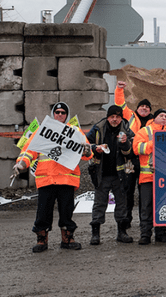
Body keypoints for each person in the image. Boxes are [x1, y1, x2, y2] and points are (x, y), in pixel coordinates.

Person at [13, 102, 90, 252]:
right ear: (53, 113)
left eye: (63, 112)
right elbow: (29, 150)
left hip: (67, 179)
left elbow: (87, 153)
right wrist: (21, 164)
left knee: (67, 212)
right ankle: (42, 240)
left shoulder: (75, 132)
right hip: (46, 179)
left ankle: (67, 239)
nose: (60, 115)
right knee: (43, 212)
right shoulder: (42, 131)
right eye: (57, 112)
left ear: (67, 115)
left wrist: (87, 151)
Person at [86, 105, 135, 245]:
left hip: (120, 174)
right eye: (112, 117)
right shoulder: (98, 128)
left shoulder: (126, 131)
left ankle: (122, 232)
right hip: (101, 173)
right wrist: (96, 148)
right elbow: (85, 144)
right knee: (99, 204)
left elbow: (131, 152)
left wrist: (125, 144)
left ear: (121, 118)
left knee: (122, 204)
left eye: (118, 117)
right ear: (108, 117)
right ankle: (95, 234)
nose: (115, 119)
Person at [113, 81, 153, 229]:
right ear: (137, 108)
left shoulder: (154, 122)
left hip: (145, 162)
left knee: (145, 193)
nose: (144, 108)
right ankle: (126, 220)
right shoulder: (129, 116)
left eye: (147, 107)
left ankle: (145, 220)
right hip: (129, 161)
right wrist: (119, 89)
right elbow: (120, 103)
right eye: (142, 106)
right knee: (127, 190)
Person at [133, 109, 166, 245]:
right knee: (147, 207)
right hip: (147, 178)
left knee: (163, 205)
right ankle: (145, 234)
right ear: (154, 118)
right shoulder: (144, 131)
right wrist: (156, 142)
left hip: (165, 178)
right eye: (161, 116)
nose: (164, 118)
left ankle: (161, 233)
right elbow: (137, 148)